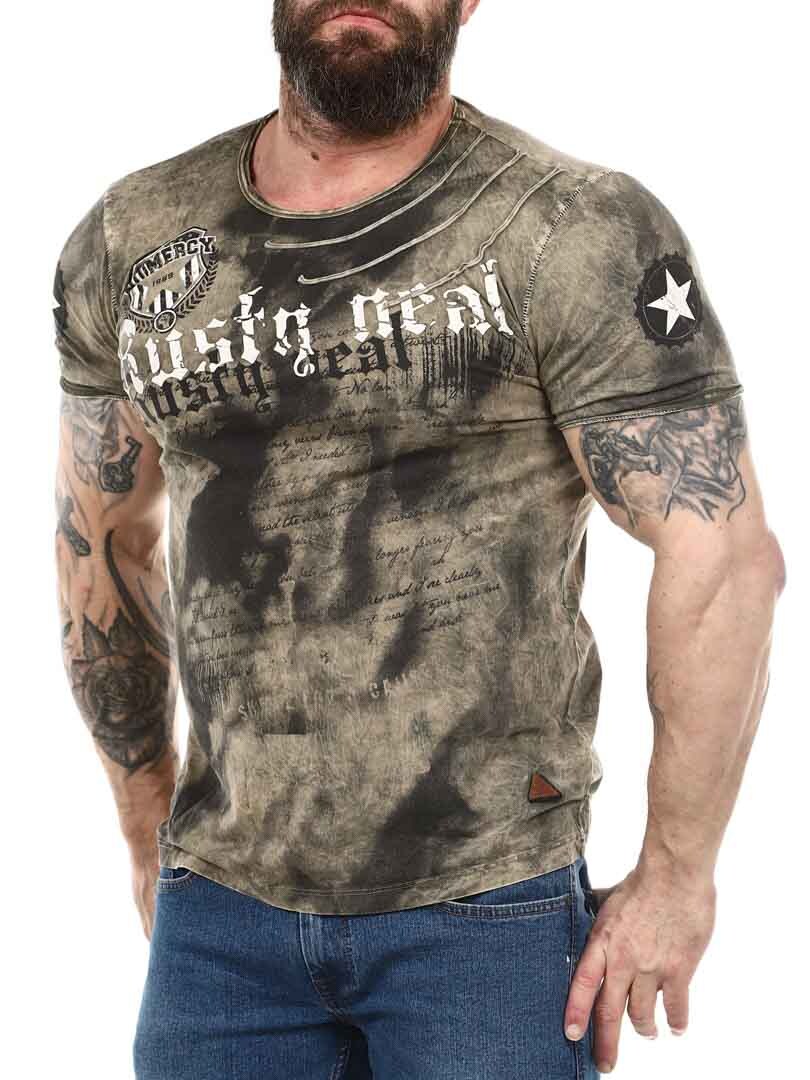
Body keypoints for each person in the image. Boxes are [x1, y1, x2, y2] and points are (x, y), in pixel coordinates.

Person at [52, 2, 785, 1077]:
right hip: (221, 915)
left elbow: (722, 555)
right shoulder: (136, 236)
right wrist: (143, 827)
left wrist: (678, 875)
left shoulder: (568, 225)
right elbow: (100, 540)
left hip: (487, 908)